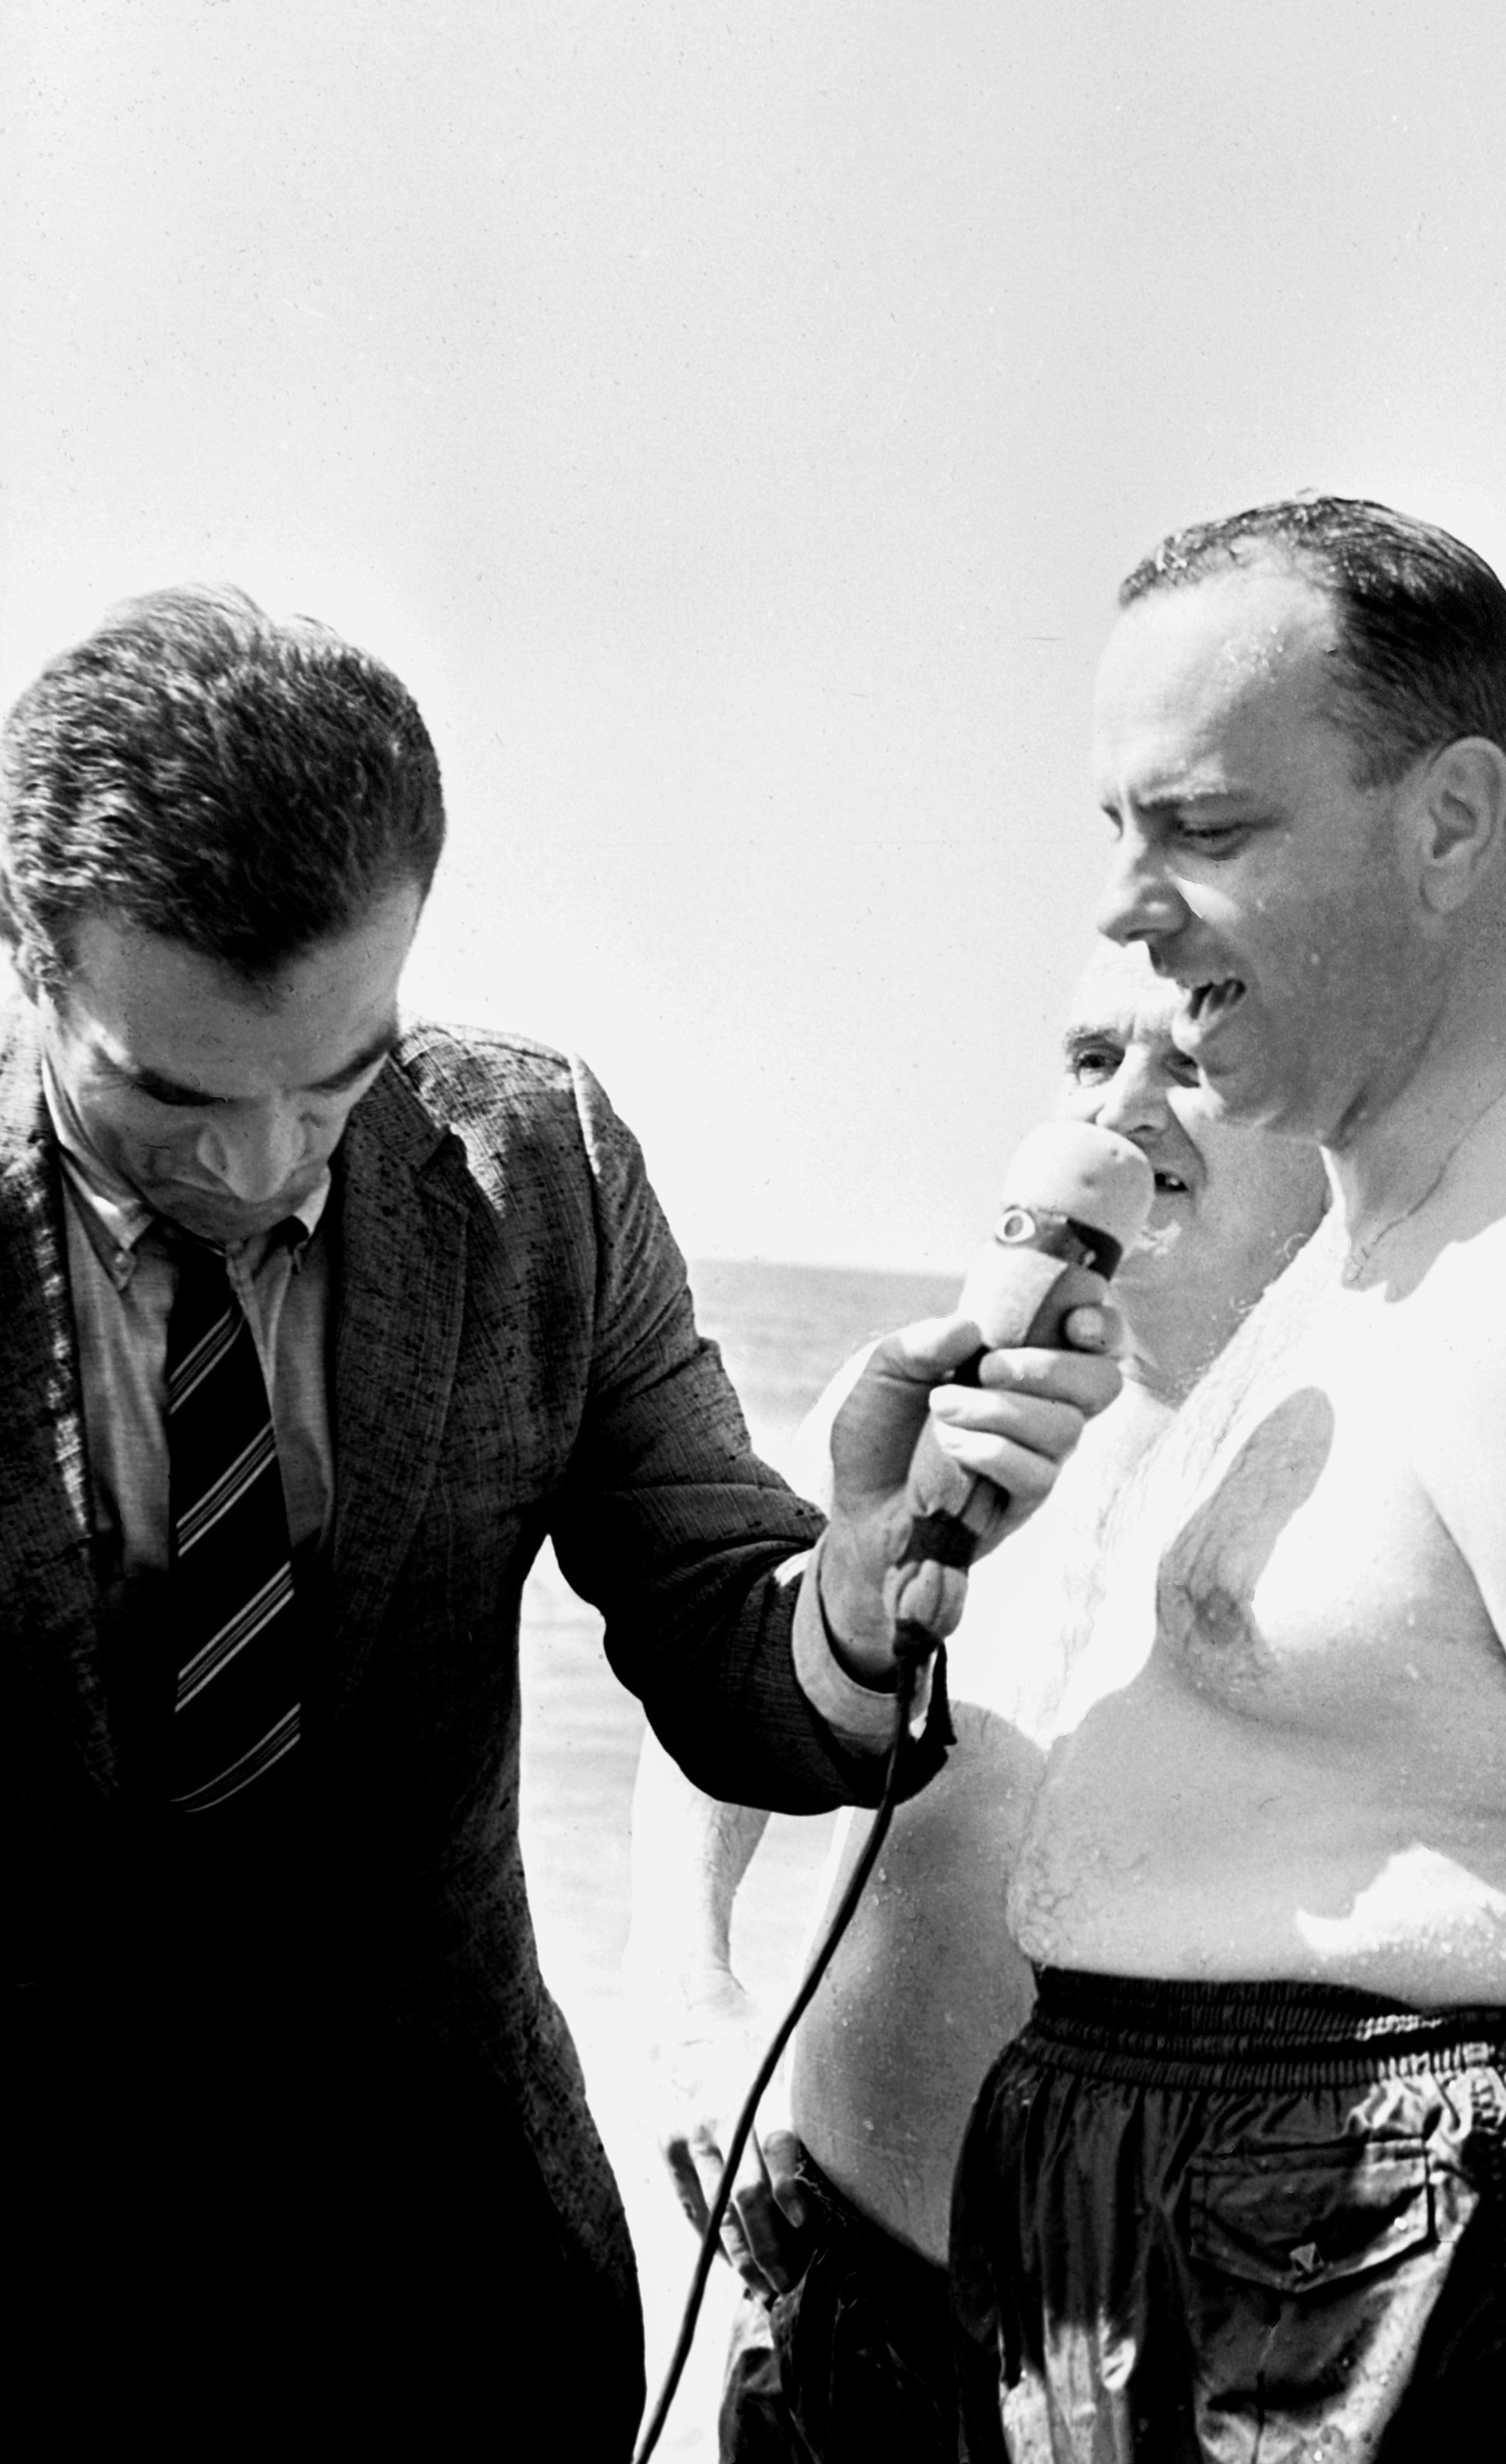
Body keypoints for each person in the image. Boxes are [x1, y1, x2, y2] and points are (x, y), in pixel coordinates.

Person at [0, 585, 1116, 2462]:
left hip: (456, 2302)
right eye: (172, 1102)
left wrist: (853, 1583)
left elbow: (722, 1646)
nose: (261, 1168)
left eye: (338, 1084)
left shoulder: (546, 1167)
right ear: (34, 959)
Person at [951, 497, 1506, 2464]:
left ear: (1449, 823)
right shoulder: (1372, 1240)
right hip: (1190, 2288)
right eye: (1119, 828)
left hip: (1418, 2316)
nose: (1128, 902)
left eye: (1206, 830)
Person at [625, 939, 1328, 2460]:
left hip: (1172, 2354)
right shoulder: (927, 1398)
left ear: (1324, 1110)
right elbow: (721, 1719)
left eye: (1190, 1067)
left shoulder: (1354, 1444)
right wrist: (693, 2003)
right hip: (834, 2276)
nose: (1128, 1111)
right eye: (1093, 1061)